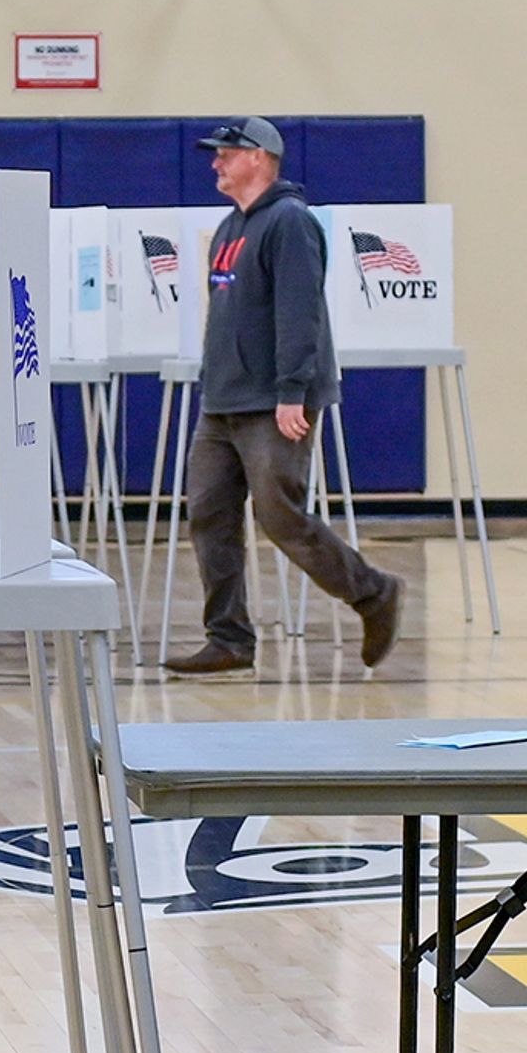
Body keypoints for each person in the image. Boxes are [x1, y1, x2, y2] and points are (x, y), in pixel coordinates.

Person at [164, 118, 401, 675]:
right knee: (208, 514)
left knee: (281, 517)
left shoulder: (290, 223)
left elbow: (301, 313)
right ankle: (229, 639)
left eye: (227, 154)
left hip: (274, 402)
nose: (216, 163)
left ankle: (373, 593)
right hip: (222, 401)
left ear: (260, 158)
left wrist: (292, 392)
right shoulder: (229, 227)